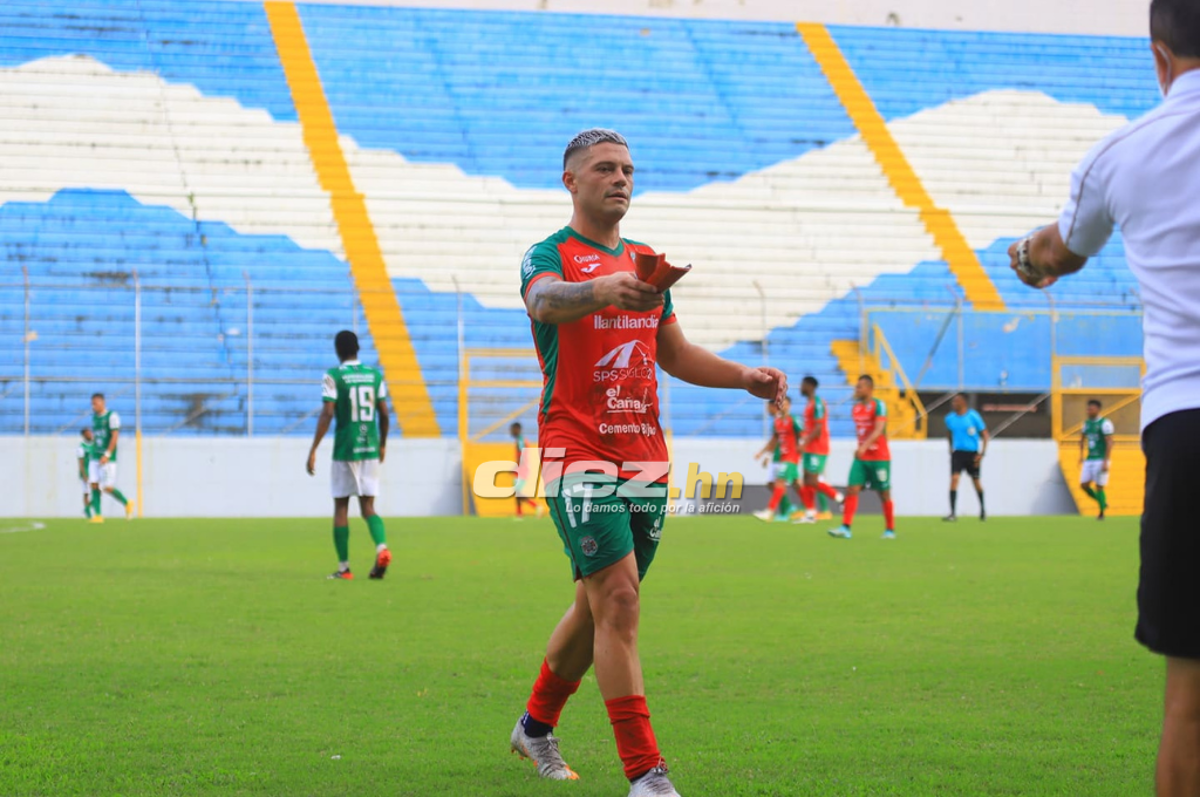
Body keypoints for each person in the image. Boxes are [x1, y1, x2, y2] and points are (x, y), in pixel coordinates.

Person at [513, 128, 786, 797]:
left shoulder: (645, 262)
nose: (621, 179)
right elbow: (543, 301)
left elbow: (674, 352)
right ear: (571, 180)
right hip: (577, 449)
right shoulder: (550, 255)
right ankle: (647, 773)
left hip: (645, 454)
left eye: (628, 169)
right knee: (619, 598)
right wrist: (605, 289)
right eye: (605, 168)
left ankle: (534, 726)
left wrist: (743, 376)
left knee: (598, 605)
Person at [1007, 1, 1200, 791]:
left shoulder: (1124, 152)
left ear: (1159, 55)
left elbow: (1060, 251)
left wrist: (1028, 255)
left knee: (1190, 700)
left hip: (1187, 424)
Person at [306, 330, 393, 581]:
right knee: (368, 507)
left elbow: (327, 413)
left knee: (341, 506)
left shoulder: (334, 376)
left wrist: (313, 449)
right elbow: (384, 413)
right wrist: (383, 444)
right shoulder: (374, 375)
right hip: (369, 447)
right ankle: (382, 548)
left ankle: (344, 568)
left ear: (338, 351)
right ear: (358, 348)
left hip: (345, 449)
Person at [828, 375, 895, 540]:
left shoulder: (879, 405)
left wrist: (864, 446)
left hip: (879, 457)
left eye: (859, 387)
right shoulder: (856, 408)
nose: (856, 390)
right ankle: (845, 527)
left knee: (884, 493)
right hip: (862, 457)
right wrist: (862, 449)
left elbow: (879, 429)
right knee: (852, 489)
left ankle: (890, 529)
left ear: (869, 389)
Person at [795, 376, 843, 524]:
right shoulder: (809, 404)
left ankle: (840, 498)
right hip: (810, 447)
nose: (800, 387)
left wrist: (805, 443)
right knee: (806, 480)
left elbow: (818, 427)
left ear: (810, 386)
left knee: (813, 480)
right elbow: (809, 427)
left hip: (818, 447)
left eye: (803, 385)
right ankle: (810, 513)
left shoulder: (818, 403)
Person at [753, 395, 804, 522]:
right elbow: (775, 439)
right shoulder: (778, 421)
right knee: (796, 483)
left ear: (789, 406)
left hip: (791, 456)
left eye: (785, 404)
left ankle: (770, 511)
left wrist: (803, 451)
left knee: (779, 482)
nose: (783, 407)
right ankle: (808, 508)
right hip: (783, 456)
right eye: (781, 404)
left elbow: (803, 435)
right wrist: (765, 454)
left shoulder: (794, 419)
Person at [944, 393, 988, 522]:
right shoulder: (950, 418)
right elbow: (949, 433)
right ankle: (952, 513)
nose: (954, 404)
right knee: (954, 479)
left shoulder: (973, 416)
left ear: (963, 402)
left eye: (956, 401)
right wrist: (950, 447)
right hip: (958, 453)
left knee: (976, 481)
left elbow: (985, 434)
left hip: (972, 454)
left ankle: (983, 510)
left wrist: (982, 453)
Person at [89, 393, 133, 522]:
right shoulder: (94, 418)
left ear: (102, 403)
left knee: (107, 487)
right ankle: (98, 515)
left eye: (95, 403)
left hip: (107, 458)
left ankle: (127, 503)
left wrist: (107, 454)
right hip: (95, 456)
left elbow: (115, 436)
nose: (93, 406)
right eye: (92, 404)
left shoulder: (112, 416)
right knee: (94, 484)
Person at [1079, 399, 1115, 521]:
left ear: (1098, 410)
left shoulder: (1105, 423)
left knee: (1099, 486)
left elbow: (1109, 442)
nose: (1088, 411)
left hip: (1101, 459)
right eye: (1088, 409)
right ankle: (1102, 503)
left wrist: (1106, 461)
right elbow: (1082, 439)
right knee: (1084, 485)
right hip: (1089, 459)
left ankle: (1101, 513)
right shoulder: (1086, 424)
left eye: (1091, 409)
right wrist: (1081, 455)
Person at [511, 421, 545, 519]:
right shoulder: (520, 440)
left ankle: (536, 507)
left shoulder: (520, 440)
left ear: (518, 429)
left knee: (518, 492)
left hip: (522, 469)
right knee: (517, 492)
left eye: (513, 429)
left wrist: (517, 467)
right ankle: (519, 514)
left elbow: (522, 454)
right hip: (521, 468)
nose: (512, 432)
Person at [76, 427, 97, 520]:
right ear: (84, 435)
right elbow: (81, 462)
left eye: (91, 433)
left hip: (94, 472)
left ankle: (86, 508)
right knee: (87, 492)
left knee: (98, 491)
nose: (90, 435)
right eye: (88, 433)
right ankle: (88, 513)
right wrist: (84, 475)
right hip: (86, 472)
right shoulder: (81, 447)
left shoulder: (94, 445)